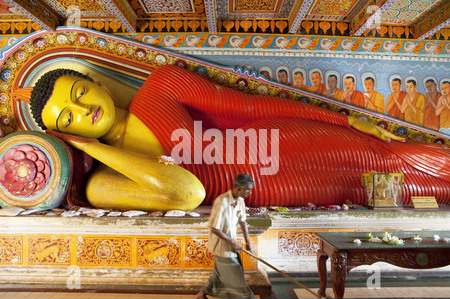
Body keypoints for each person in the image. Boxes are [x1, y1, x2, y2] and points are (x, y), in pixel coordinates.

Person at [23, 65, 450, 210]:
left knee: (394, 154)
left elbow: (251, 107)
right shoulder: (101, 183)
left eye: (79, 93)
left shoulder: (160, 87)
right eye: (69, 117)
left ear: (93, 84)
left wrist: (347, 122)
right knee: (393, 190)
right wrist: (91, 149)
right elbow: (186, 191)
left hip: (287, 139)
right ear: (67, 133)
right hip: (272, 186)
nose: (84, 109)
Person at [196, 173, 255, 299]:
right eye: (248, 189)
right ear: (239, 188)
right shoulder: (222, 201)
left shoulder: (240, 201)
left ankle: (201, 295)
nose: (249, 192)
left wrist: (248, 241)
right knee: (238, 281)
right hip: (222, 247)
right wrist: (232, 242)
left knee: (218, 273)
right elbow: (214, 228)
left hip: (230, 245)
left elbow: (243, 221)